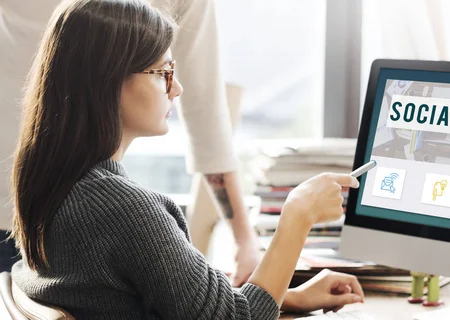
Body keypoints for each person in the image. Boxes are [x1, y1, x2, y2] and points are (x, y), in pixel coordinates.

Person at [8, 0, 365, 319]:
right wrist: (298, 213)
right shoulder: (123, 210)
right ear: (109, 80)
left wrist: (287, 297)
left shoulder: (55, 186)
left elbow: (177, 300)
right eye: (162, 73)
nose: (176, 88)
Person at [0, 0, 261, 286]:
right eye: (162, 73)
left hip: (36, 203)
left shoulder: (121, 207)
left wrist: (243, 239)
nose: (175, 88)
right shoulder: (132, 213)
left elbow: (206, 115)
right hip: (32, 213)